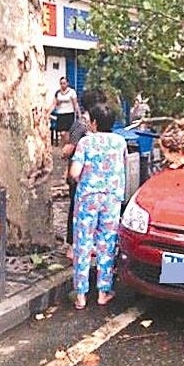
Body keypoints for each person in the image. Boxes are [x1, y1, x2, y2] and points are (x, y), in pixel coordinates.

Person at [69, 103, 127, 310]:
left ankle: (81, 296)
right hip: (111, 198)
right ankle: (103, 292)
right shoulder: (120, 142)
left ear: (94, 122)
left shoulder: (86, 142)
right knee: (107, 243)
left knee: (83, 244)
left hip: (88, 197)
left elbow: (75, 172)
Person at [62, 89, 107, 260]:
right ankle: (72, 247)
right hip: (78, 176)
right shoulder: (80, 124)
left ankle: (89, 244)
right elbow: (68, 150)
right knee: (75, 210)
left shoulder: (97, 123)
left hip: (94, 177)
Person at [50, 77, 81, 145]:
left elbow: (75, 104)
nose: (62, 85)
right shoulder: (58, 93)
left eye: (64, 83)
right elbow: (54, 104)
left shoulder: (72, 92)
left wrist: (79, 114)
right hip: (60, 114)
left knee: (67, 133)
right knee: (62, 133)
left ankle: (67, 149)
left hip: (69, 114)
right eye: (61, 83)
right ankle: (65, 148)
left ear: (67, 83)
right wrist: (48, 113)